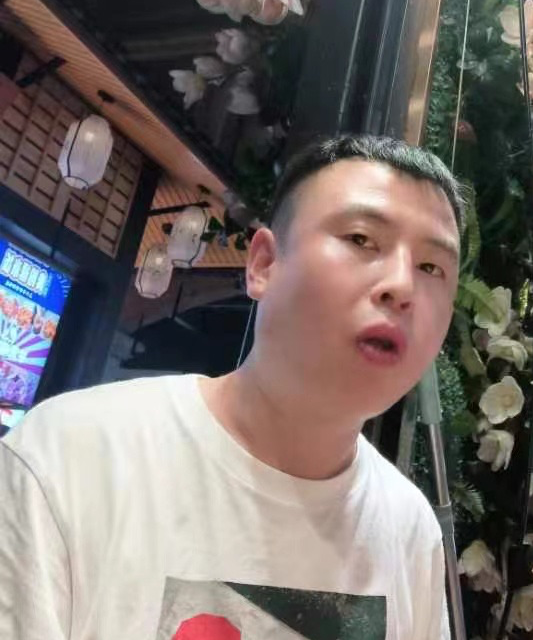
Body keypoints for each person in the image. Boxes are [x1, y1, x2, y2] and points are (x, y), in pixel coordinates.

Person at [0, 135, 463, 640]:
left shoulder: (410, 530)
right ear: (263, 264)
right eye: (361, 239)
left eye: (431, 267)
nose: (402, 286)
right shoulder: (69, 456)